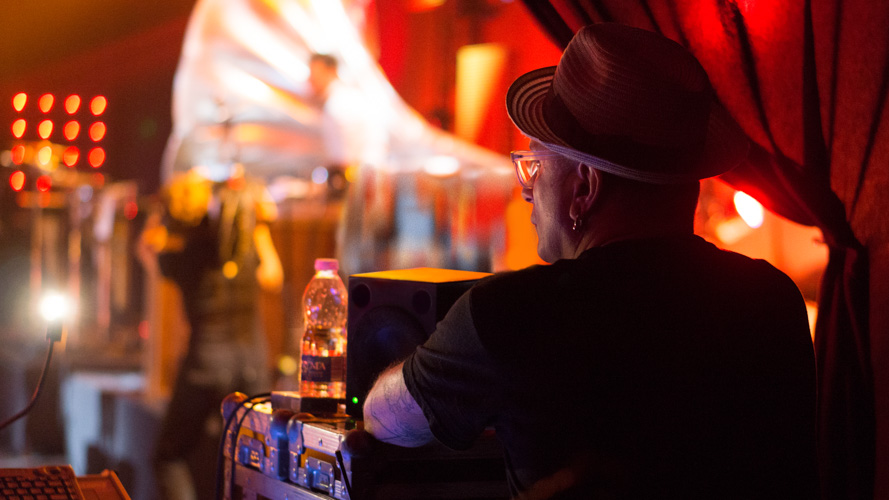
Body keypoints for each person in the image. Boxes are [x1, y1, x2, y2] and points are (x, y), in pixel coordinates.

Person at [362, 23, 817, 499]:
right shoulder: (772, 301)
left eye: (535, 168)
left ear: (583, 188)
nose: (527, 191)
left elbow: (383, 419)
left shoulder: (513, 315)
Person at [140, 167, 283, 500]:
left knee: (168, 455)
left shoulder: (183, 257)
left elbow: (146, 247)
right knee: (256, 463)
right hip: (252, 367)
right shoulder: (245, 249)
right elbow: (274, 276)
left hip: (203, 369)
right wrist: (257, 225)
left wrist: (160, 215)